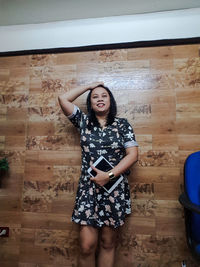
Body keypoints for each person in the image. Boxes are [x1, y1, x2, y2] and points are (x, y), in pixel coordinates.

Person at [58, 83, 138, 267]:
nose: (100, 98)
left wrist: (108, 175)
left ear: (111, 100)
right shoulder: (83, 122)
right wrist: (89, 86)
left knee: (108, 243)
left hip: (114, 189)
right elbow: (63, 99)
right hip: (89, 190)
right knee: (87, 246)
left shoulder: (123, 124)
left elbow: (133, 155)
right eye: (95, 96)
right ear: (90, 102)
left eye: (104, 95)